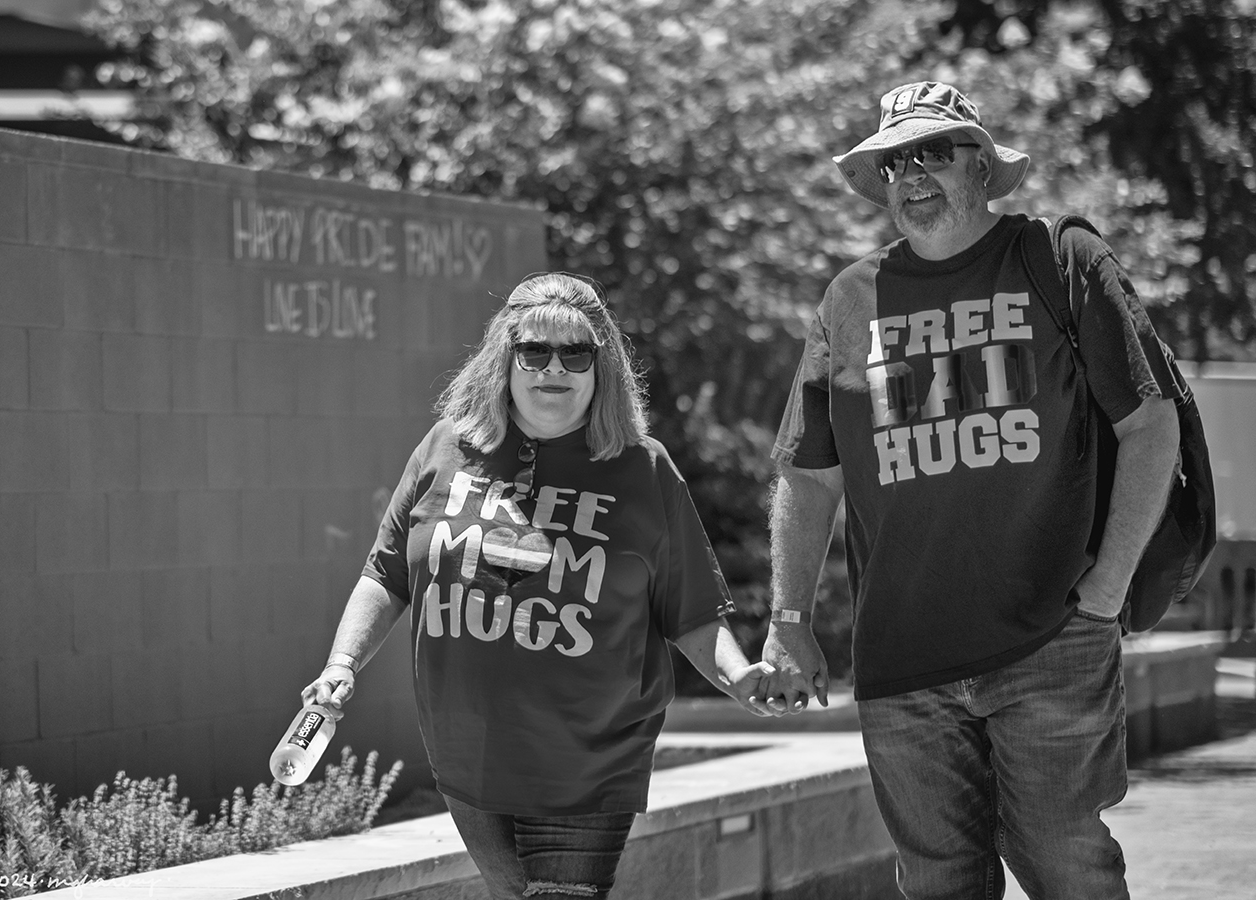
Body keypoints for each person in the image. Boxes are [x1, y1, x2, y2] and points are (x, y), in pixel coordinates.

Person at [763, 81, 1182, 899]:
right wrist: (789, 622)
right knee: (938, 884)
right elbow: (808, 475)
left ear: (982, 166)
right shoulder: (849, 299)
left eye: (932, 152)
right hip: (902, 661)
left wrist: (1107, 590)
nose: (911, 174)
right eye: (894, 162)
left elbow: (1149, 424)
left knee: (1067, 868)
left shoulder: (1062, 260)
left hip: (1050, 639)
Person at [298, 272, 777, 900]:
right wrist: (341, 664)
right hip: (466, 753)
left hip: (587, 761)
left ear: (601, 366)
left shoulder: (643, 467)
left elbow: (689, 610)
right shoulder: (445, 448)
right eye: (534, 350)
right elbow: (386, 574)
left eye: (575, 352)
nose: (554, 367)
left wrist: (738, 677)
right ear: (505, 357)